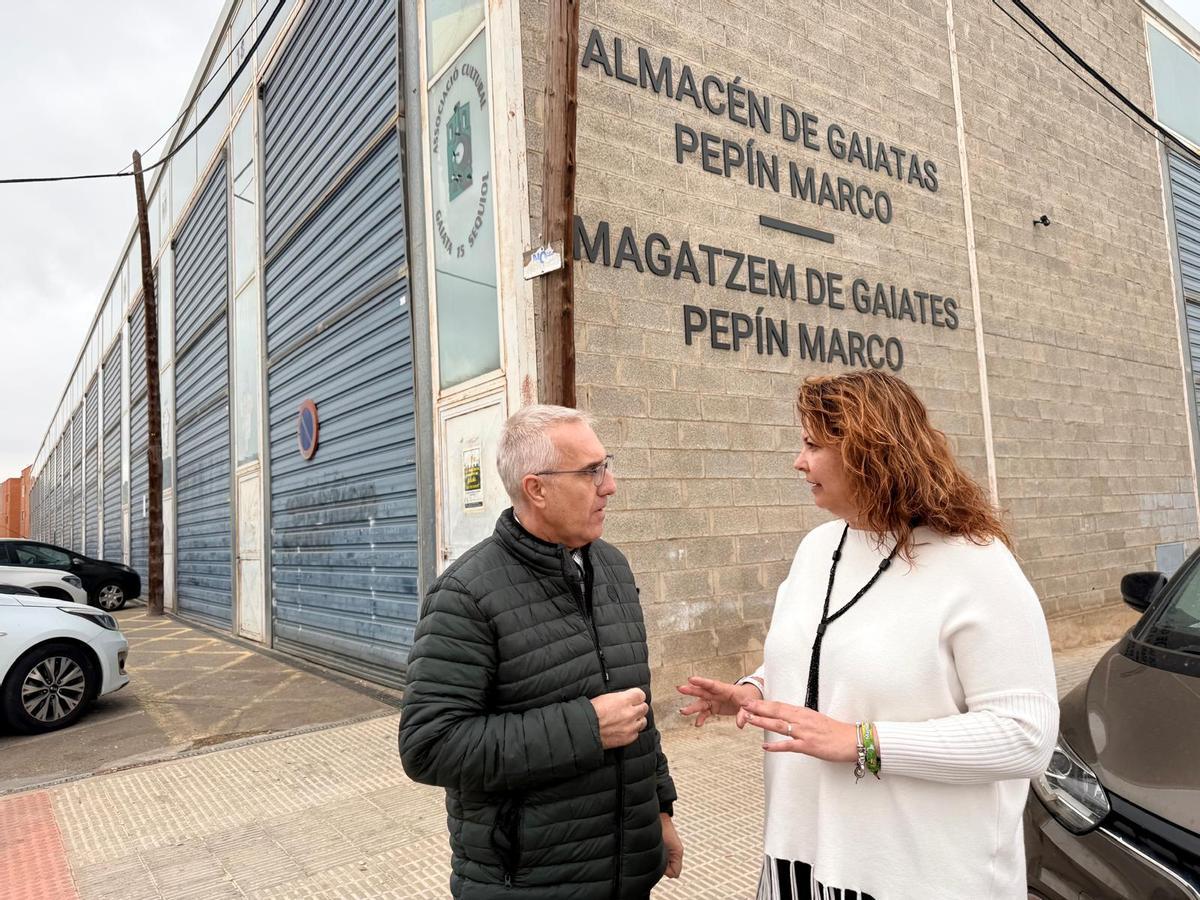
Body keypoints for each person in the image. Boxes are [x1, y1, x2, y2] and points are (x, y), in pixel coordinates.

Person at [678, 371, 1058, 900]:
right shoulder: (816, 548)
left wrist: (864, 744)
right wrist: (755, 690)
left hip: (915, 876)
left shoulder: (976, 563)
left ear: (868, 452)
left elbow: (1025, 736)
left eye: (813, 444)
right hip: (801, 861)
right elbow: (822, 650)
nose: (798, 460)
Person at [399, 404, 683, 899]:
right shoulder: (466, 595)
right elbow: (429, 746)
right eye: (592, 471)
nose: (610, 484)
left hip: (627, 873)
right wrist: (586, 728)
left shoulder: (612, 568)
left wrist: (660, 813)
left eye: (606, 465)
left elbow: (636, 710)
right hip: (527, 884)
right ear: (537, 488)